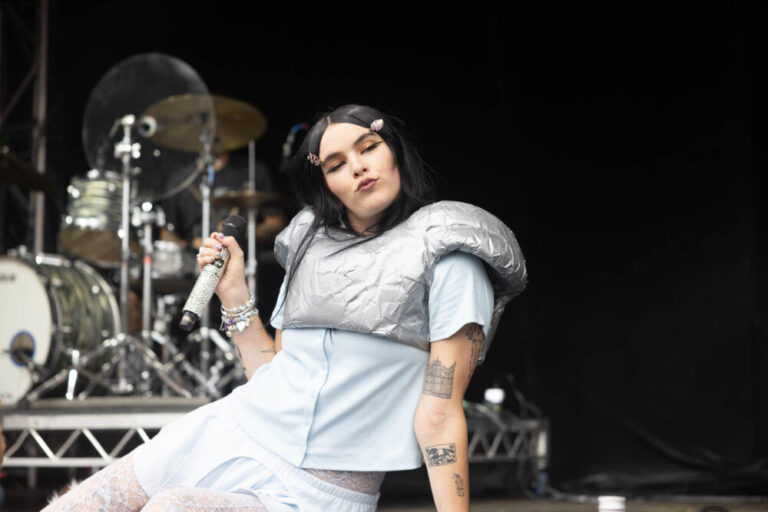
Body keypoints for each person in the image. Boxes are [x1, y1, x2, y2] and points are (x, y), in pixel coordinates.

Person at [43, 104, 526, 512]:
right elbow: (272, 372)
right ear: (326, 183)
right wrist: (233, 292)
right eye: (335, 165)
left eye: (368, 148)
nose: (358, 168)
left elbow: (438, 415)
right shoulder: (311, 244)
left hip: (323, 489)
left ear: (394, 150)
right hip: (232, 429)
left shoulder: (451, 256)